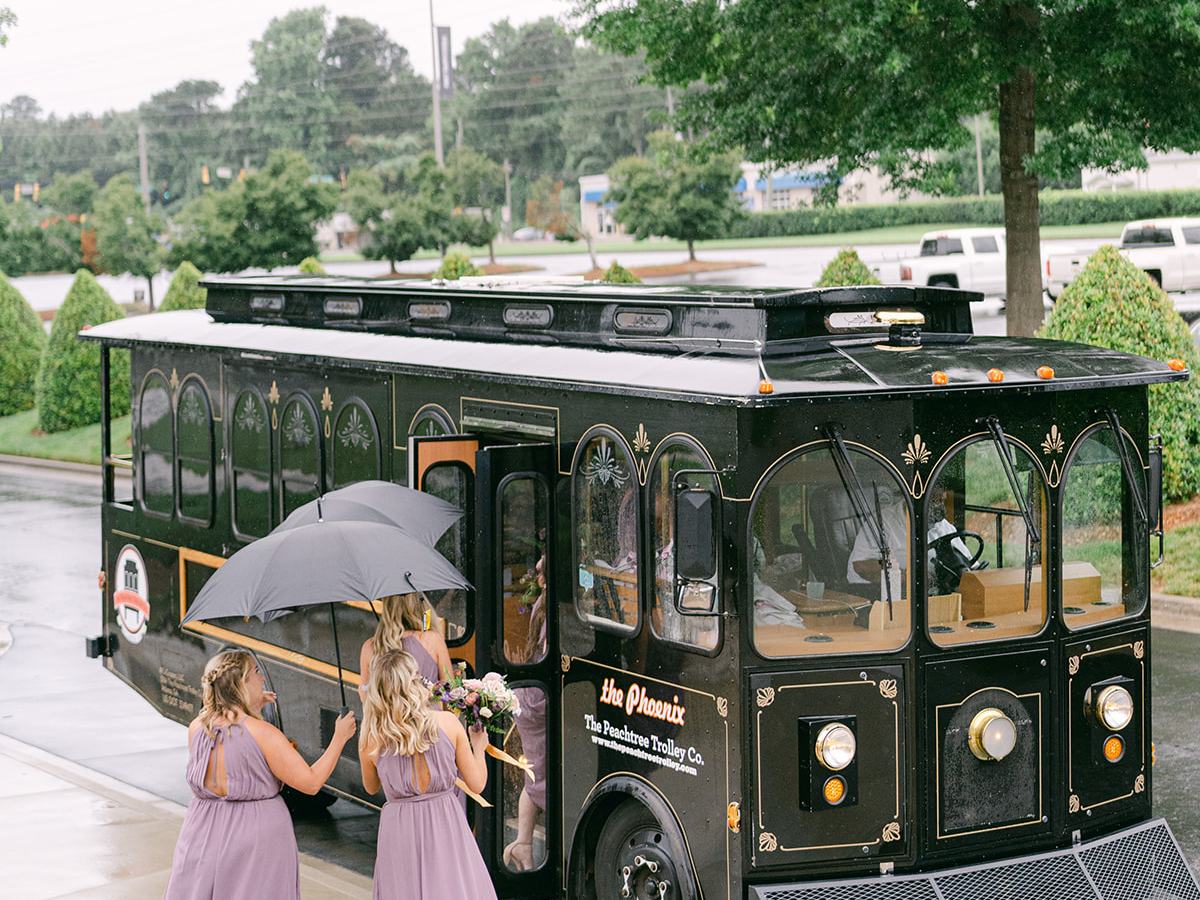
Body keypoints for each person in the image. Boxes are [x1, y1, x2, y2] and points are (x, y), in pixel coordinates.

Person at [164, 649, 356, 900]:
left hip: (202, 832)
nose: (262, 678)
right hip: (255, 837)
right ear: (241, 683)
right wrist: (339, 739)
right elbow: (310, 783)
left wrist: (250, 705)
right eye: (256, 672)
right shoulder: (263, 733)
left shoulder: (197, 728)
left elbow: (229, 755)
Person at [359, 649, 496, 900]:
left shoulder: (371, 740)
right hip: (445, 822)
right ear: (413, 682)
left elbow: (370, 787)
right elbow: (477, 784)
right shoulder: (448, 723)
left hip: (400, 831)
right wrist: (479, 748)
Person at [359, 593, 452, 692]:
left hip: (385, 708)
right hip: (428, 707)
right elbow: (449, 687)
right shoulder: (432, 639)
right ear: (417, 605)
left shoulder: (370, 646)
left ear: (387, 609)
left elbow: (364, 693)